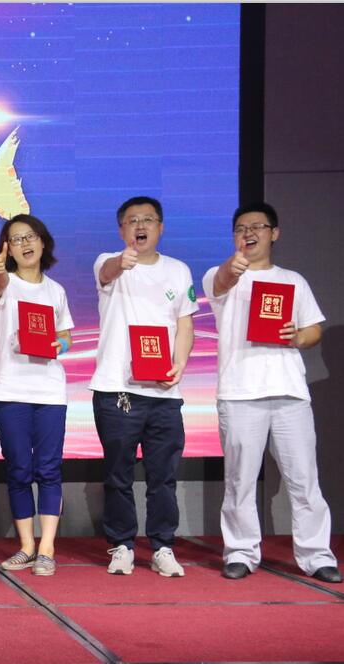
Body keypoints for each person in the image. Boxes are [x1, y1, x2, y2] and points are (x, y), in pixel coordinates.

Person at [203, 202, 339, 583]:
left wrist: (297, 337)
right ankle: (241, 552)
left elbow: (313, 330)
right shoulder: (220, 275)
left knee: (304, 479)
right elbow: (221, 281)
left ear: (274, 233)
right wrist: (234, 267)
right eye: (240, 228)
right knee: (240, 481)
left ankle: (316, 555)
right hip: (239, 393)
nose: (249, 233)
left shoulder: (293, 281)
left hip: (289, 393)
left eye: (257, 227)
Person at [90, 196, 196, 578]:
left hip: (164, 394)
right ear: (122, 229)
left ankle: (163, 546)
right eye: (133, 220)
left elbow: (185, 324)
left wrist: (179, 363)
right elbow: (107, 272)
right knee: (118, 474)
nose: (141, 226)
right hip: (117, 389)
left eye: (148, 219)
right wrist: (123, 261)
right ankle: (122, 545)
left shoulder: (178, 270)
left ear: (160, 227)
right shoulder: (109, 262)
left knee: (162, 476)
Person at [0, 214, 73, 577]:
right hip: (10, 390)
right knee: (20, 469)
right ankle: (26, 546)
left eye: (30, 236)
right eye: (16, 239)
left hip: (50, 390)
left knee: (49, 470)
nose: (25, 244)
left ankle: (47, 548)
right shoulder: (1, 283)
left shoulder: (56, 291)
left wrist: (59, 345)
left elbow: (65, 335)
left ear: (43, 241)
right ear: (7, 249)